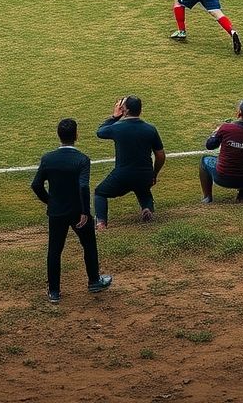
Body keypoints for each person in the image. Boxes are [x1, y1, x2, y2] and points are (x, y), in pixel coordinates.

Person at [31, 118, 113, 303]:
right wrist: (84, 211)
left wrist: (50, 201)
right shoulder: (82, 159)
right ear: (76, 135)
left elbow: (36, 185)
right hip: (78, 211)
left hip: (56, 212)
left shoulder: (48, 158)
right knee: (89, 244)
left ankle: (54, 292)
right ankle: (93, 281)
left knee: (54, 250)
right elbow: (83, 186)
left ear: (58, 135)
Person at [94, 96, 165, 229]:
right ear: (140, 110)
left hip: (123, 175)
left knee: (100, 192)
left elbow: (100, 132)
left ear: (124, 110)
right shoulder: (150, 129)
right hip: (144, 175)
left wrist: (114, 116)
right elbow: (160, 156)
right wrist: (154, 174)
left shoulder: (116, 128)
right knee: (143, 189)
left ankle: (101, 223)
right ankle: (147, 209)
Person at [199, 100, 243, 202]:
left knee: (204, 160)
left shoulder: (226, 128)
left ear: (239, 113)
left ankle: (207, 197)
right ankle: (242, 196)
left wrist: (216, 132)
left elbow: (210, 145)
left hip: (222, 178)